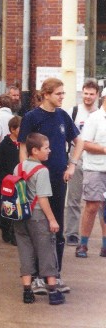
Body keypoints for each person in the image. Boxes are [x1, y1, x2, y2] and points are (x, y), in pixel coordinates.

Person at [18, 77, 83, 295]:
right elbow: (23, 147)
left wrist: (72, 165)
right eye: (59, 93)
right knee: (38, 228)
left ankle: (55, 275)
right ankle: (36, 276)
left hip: (58, 178)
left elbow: (79, 141)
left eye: (63, 93)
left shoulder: (63, 116)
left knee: (57, 228)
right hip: (36, 181)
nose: (62, 97)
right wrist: (24, 174)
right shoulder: (32, 117)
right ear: (46, 94)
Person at [14, 133, 65, 305]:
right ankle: (53, 291)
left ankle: (27, 291)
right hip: (37, 216)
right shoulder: (42, 171)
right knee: (46, 250)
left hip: (20, 215)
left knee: (25, 250)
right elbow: (42, 199)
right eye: (46, 148)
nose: (49, 151)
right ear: (35, 151)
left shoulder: (19, 167)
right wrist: (52, 219)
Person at [64, 78, 99, 246]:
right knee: (74, 197)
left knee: (96, 200)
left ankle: (92, 235)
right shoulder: (74, 111)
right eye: (85, 93)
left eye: (91, 94)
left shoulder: (100, 114)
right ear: (82, 93)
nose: (88, 97)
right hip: (76, 157)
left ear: (97, 95)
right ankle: (71, 233)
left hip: (96, 159)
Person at [74, 86, 106, 258]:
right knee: (92, 206)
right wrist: (104, 149)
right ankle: (83, 244)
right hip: (95, 168)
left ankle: (105, 245)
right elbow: (84, 143)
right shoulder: (95, 118)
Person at [0, 115, 21, 240]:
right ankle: (6, 230)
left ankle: (14, 232)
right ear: (12, 129)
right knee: (8, 206)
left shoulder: (22, 144)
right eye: (19, 129)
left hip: (19, 180)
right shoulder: (5, 145)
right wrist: (2, 180)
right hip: (7, 180)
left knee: (18, 206)